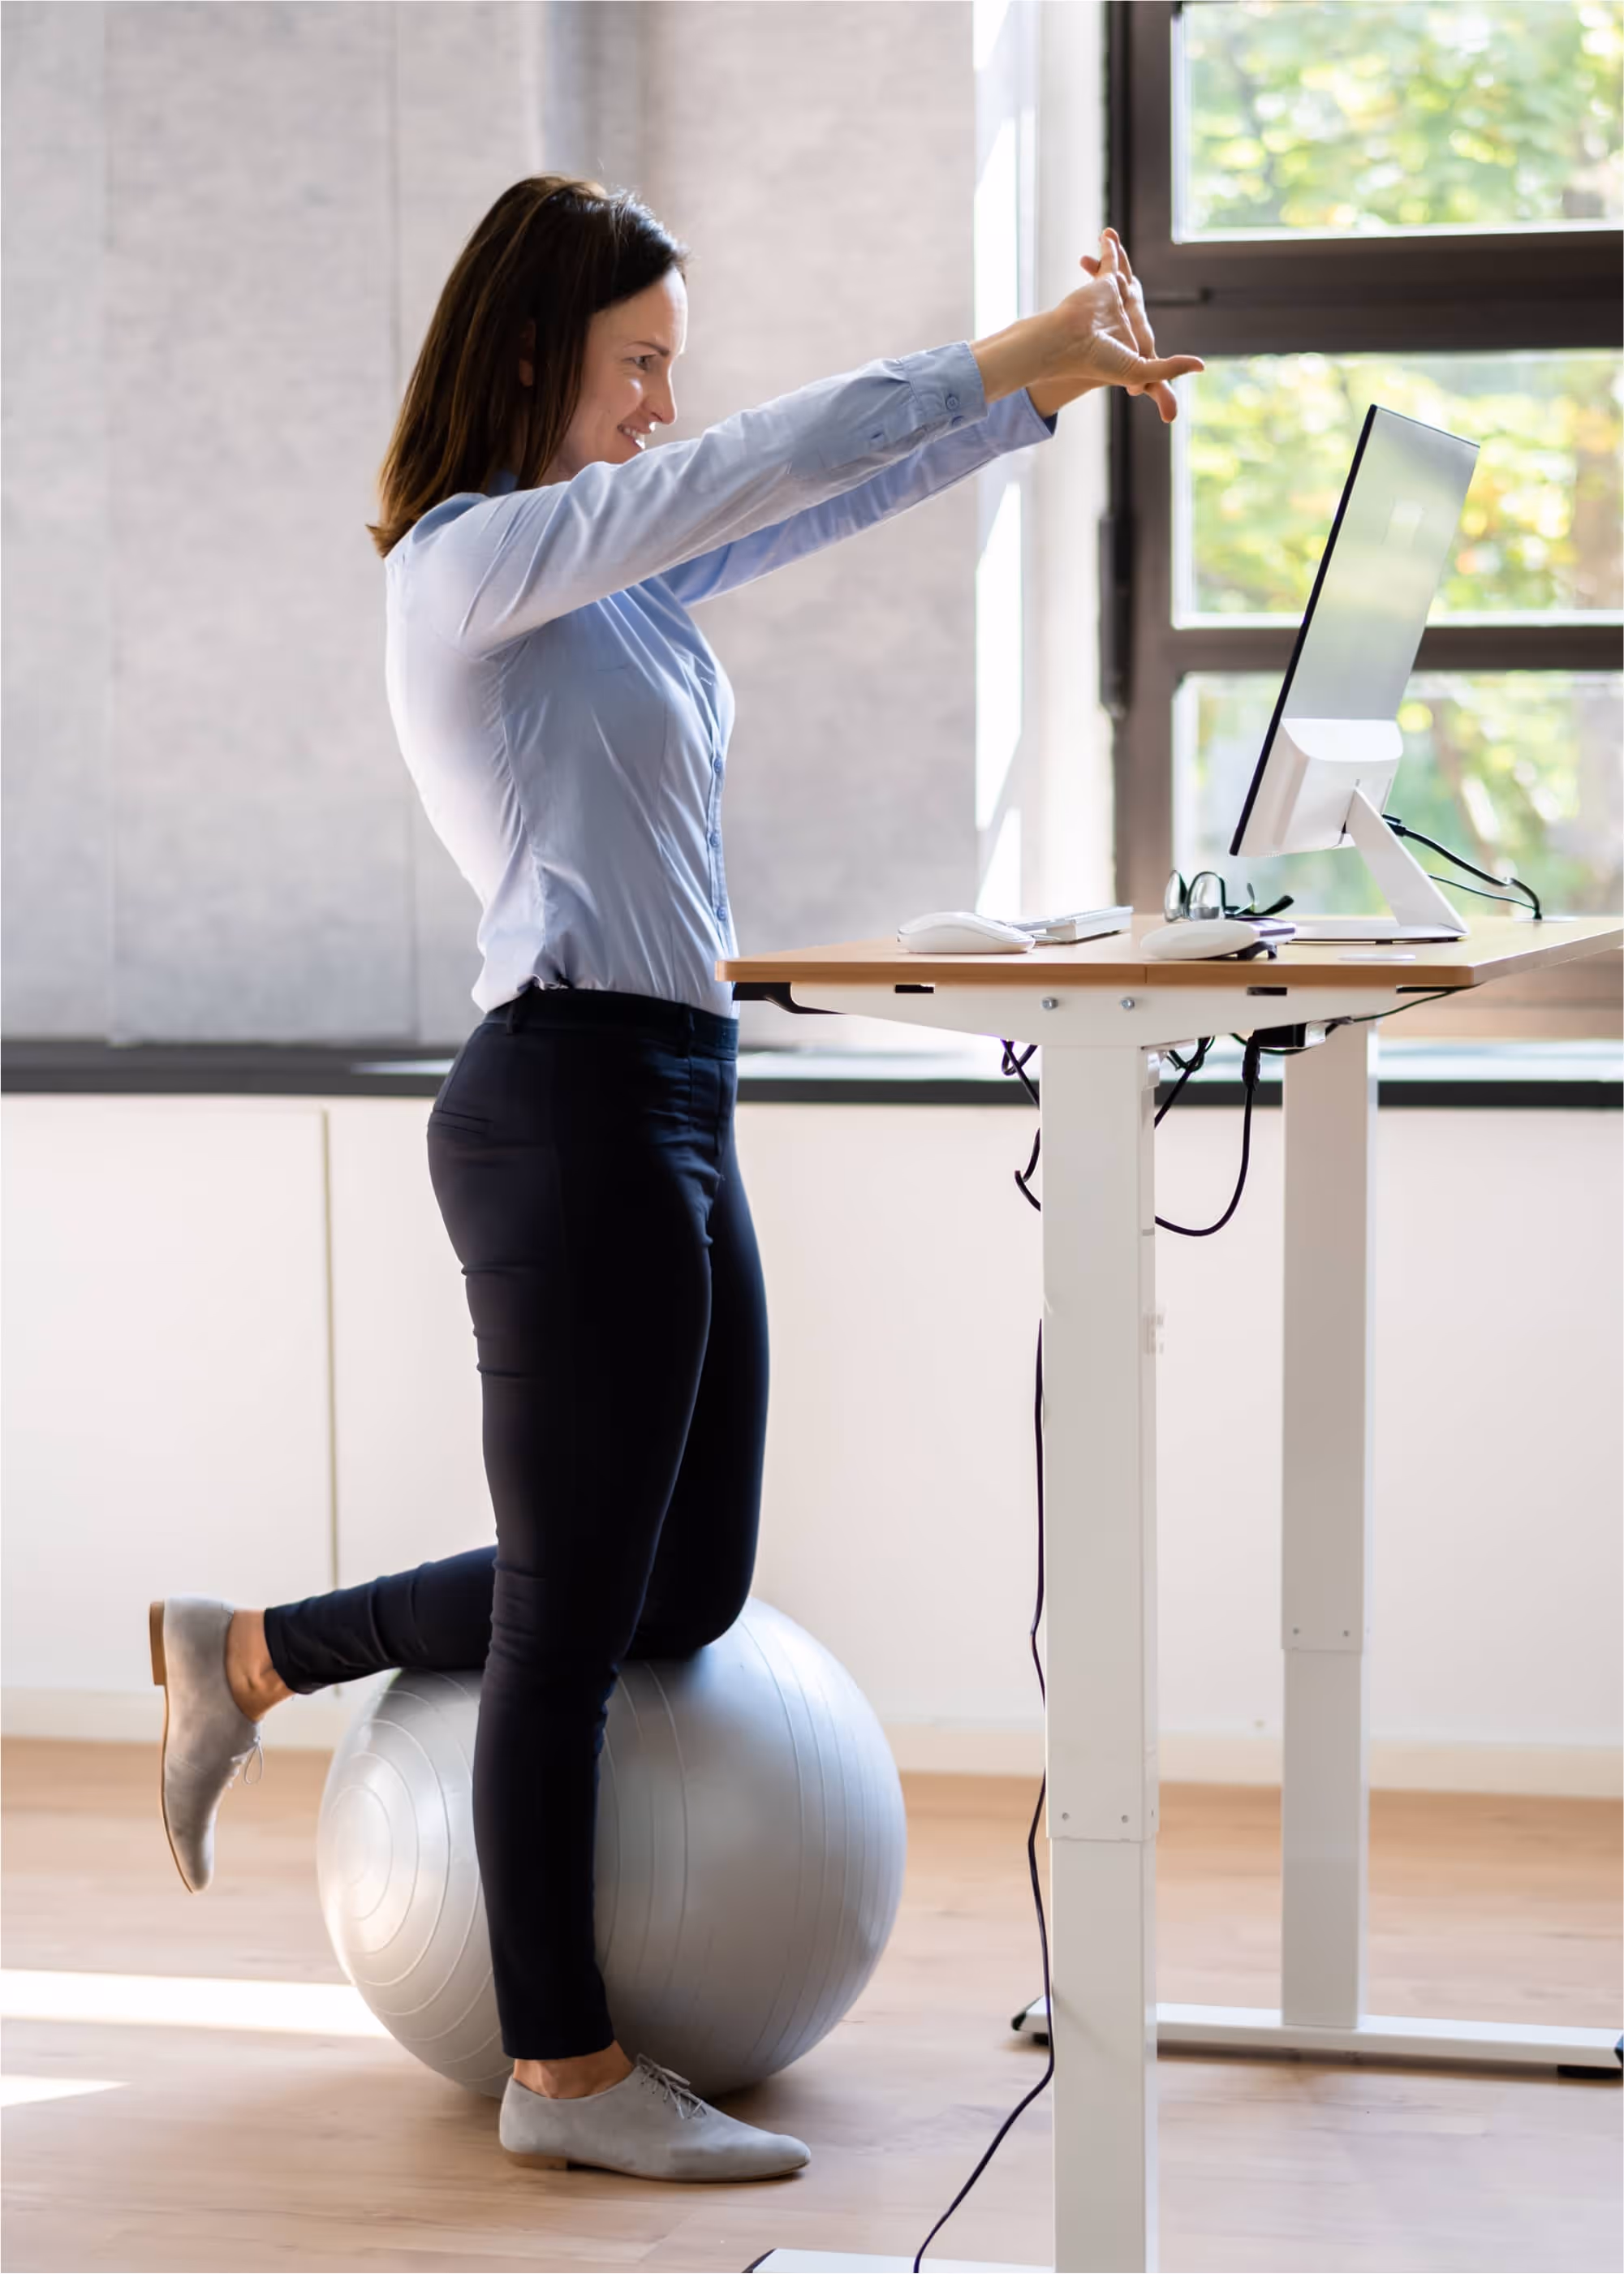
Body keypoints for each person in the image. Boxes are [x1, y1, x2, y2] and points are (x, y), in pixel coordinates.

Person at [147, 174, 1201, 2184]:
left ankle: (252, 1650)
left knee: (678, 1589)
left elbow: (790, 504)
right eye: (636, 366)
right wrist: (1011, 348)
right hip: (563, 1103)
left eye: (671, 373)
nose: (657, 407)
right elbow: (752, 464)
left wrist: (1029, 407)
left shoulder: (604, 582)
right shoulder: (471, 564)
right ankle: (563, 2074)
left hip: (679, 1098)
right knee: (570, 1621)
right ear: (534, 352)